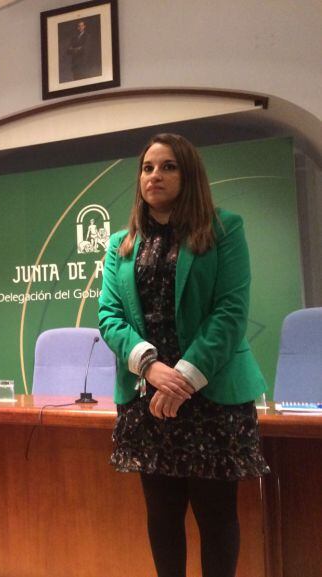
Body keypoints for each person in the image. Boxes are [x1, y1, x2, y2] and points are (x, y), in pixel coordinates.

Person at [98, 133, 269, 577]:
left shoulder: (225, 228)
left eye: (168, 166)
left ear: (188, 174)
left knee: (216, 518)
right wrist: (152, 367)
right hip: (147, 394)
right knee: (162, 516)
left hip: (211, 395)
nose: (154, 175)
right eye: (147, 167)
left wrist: (186, 377)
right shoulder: (121, 243)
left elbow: (230, 311)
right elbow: (110, 316)